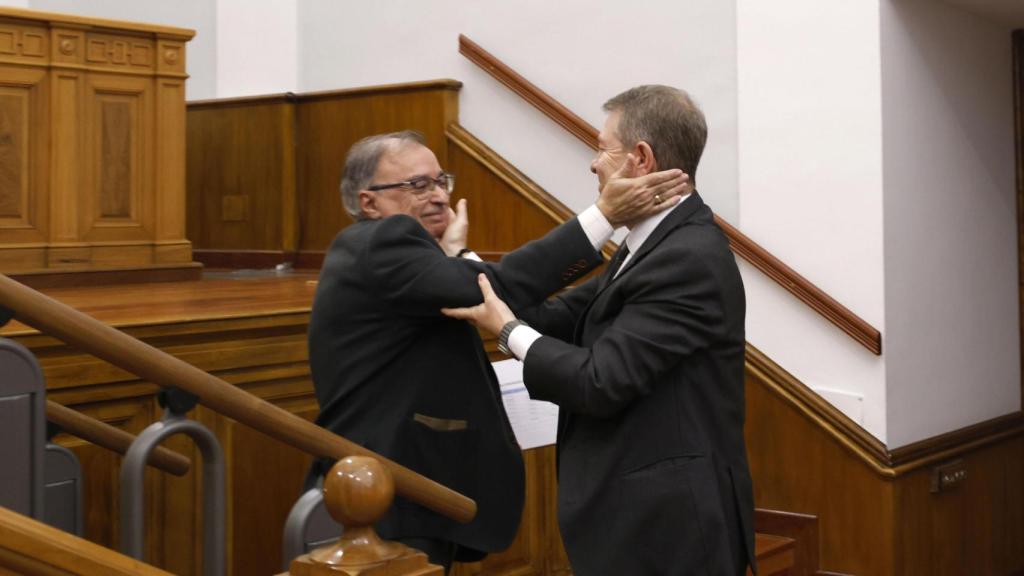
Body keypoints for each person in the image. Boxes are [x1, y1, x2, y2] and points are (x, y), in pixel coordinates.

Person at [306, 129, 688, 571]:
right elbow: (494, 289)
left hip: (407, 490)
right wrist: (603, 216)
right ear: (368, 202)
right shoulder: (379, 242)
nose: (438, 197)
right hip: (387, 493)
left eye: (440, 181)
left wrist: (455, 255)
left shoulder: (396, 254)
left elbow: (490, 296)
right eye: (416, 185)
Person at [442, 86, 755, 575]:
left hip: (668, 529)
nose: (593, 163)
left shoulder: (688, 256)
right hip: (637, 516)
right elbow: (549, 320)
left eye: (602, 147)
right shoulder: (647, 244)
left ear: (640, 158)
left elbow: (599, 381)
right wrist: (464, 264)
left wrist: (506, 332)